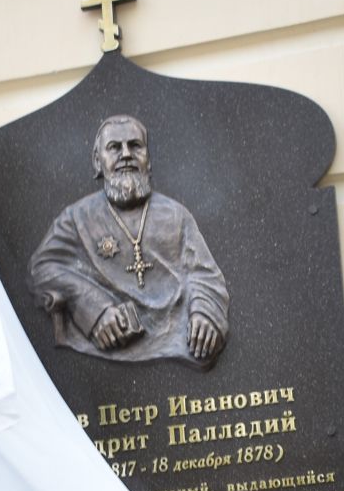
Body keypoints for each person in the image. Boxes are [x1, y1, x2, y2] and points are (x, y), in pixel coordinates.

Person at [29, 113, 230, 369]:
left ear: (148, 158)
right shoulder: (76, 218)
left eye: (135, 145)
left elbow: (204, 275)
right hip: (111, 338)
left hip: (178, 338)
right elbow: (42, 269)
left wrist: (205, 313)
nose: (126, 154)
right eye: (114, 147)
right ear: (97, 161)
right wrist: (94, 309)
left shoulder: (176, 215)